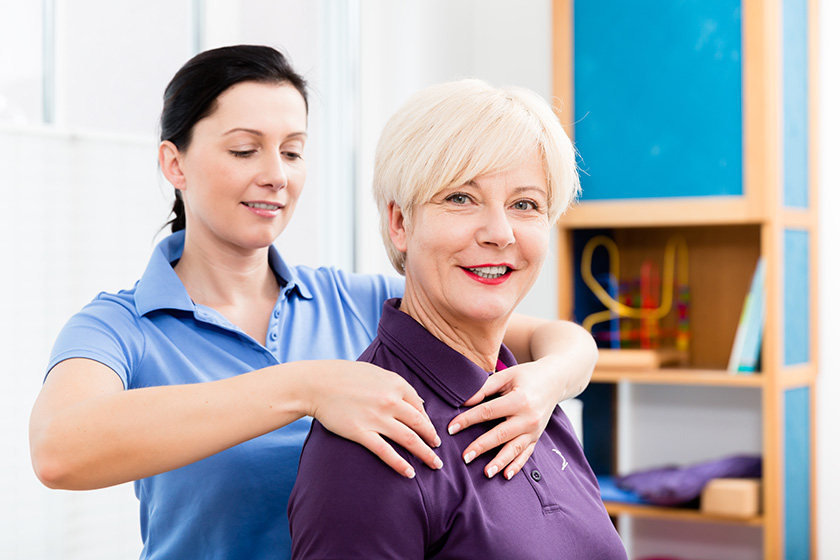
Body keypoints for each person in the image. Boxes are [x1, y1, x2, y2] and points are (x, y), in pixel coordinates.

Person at [29, 46, 598, 560]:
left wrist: (546, 383)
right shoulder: (122, 327)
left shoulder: (354, 298)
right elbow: (59, 450)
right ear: (174, 164)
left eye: (293, 152)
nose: (276, 175)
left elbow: (559, 339)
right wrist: (305, 389)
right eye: (246, 149)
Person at [288, 79, 626, 559]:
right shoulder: (372, 443)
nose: (499, 232)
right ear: (400, 223)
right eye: (461, 198)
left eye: (525, 204)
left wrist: (548, 383)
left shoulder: (530, 396)